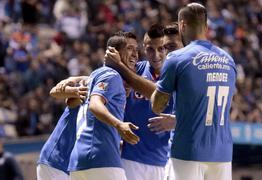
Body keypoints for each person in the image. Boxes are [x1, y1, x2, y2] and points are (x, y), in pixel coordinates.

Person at [151, 3, 236, 180]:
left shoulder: (177, 58)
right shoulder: (228, 60)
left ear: (182, 25)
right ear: (206, 26)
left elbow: (157, 106)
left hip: (188, 151)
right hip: (223, 154)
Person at [105, 24, 183, 180]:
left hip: (164, 162)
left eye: (161, 49)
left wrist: (177, 121)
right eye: (150, 49)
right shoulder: (135, 70)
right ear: (144, 49)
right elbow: (103, 80)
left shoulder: (180, 77)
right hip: (130, 159)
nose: (156, 55)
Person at [68, 34, 139, 180]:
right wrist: (119, 124)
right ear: (113, 52)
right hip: (101, 158)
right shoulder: (111, 75)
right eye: (129, 48)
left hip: (79, 161)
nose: (135, 54)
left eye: (136, 49)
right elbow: (95, 104)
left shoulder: (94, 75)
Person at [37, 78, 88, 180]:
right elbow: (54, 92)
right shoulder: (86, 92)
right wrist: (74, 82)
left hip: (72, 166)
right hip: (56, 161)